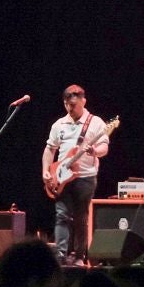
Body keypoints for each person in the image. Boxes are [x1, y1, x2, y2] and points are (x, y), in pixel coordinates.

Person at [42, 85, 109, 263]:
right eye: (68, 105)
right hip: (61, 176)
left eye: (74, 105)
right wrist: (46, 171)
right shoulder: (59, 124)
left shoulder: (96, 123)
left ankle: (80, 256)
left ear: (83, 101)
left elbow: (104, 147)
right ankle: (61, 255)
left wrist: (94, 151)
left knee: (81, 217)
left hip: (85, 177)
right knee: (61, 215)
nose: (71, 109)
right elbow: (50, 149)